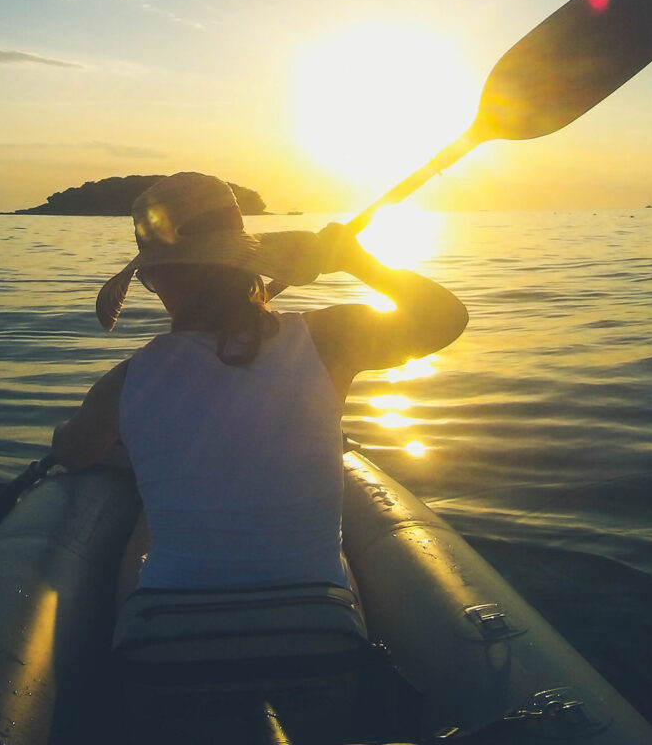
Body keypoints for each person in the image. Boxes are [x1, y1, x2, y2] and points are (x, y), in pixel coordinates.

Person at [51, 171, 468, 599]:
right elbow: (445, 316)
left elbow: (71, 452)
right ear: (245, 263)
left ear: (162, 278)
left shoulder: (125, 383)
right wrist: (357, 260)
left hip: (165, 645)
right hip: (321, 638)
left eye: (150, 278)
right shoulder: (328, 340)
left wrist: (76, 430)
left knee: (136, 555)